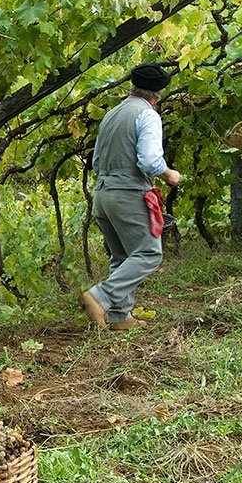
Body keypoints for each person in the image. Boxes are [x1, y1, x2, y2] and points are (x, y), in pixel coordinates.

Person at [79, 64, 181, 331]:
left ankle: (120, 317)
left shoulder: (112, 114)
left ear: (132, 86)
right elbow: (149, 161)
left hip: (103, 194)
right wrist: (169, 174)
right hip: (129, 194)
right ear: (159, 93)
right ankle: (99, 297)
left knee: (122, 256)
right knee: (148, 253)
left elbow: (97, 161)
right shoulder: (147, 115)